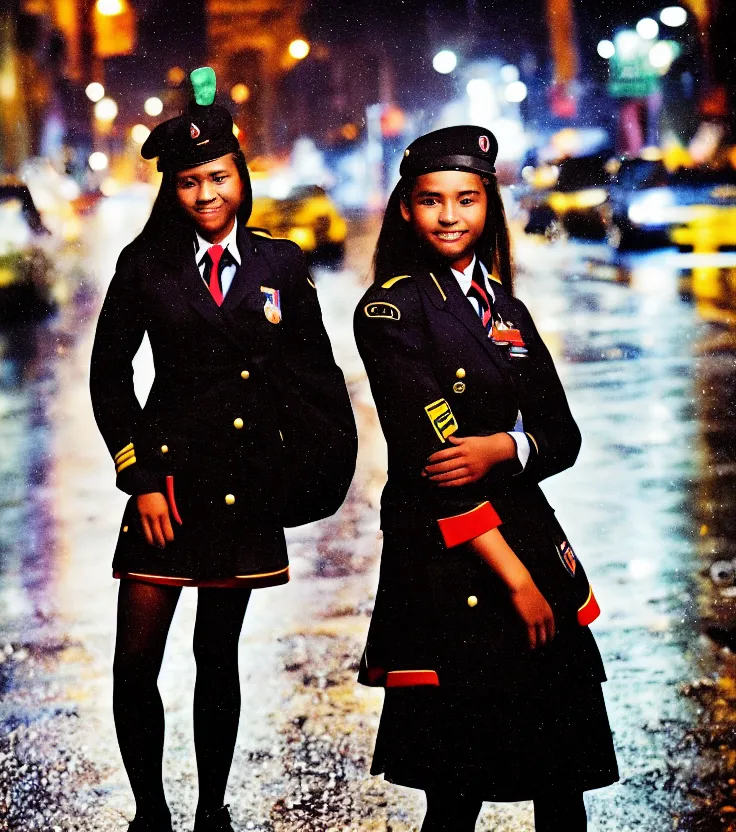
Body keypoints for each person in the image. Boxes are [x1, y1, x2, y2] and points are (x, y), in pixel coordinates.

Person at [89, 68, 355, 832]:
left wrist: (311, 475)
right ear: (170, 190)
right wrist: (137, 478)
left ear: (241, 172)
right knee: (135, 658)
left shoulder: (279, 265)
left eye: (217, 176)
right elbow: (109, 378)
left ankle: (211, 810)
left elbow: (315, 376)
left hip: (243, 486)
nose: (205, 195)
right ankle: (150, 814)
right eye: (188, 183)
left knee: (217, 653)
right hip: (166, 488)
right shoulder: (144, 267)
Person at [354, 126, 619, 831]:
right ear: (406, 209)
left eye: (466, 199)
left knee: (563, 779)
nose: (449, 216)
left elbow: (562, 438)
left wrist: (502, 446)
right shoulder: (390, 309)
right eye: (432, 200)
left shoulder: (507, 307)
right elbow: (434, 462)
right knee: (456, 788)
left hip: (526, 537)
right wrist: (518, 583)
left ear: (488, 206)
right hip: (455, 561)